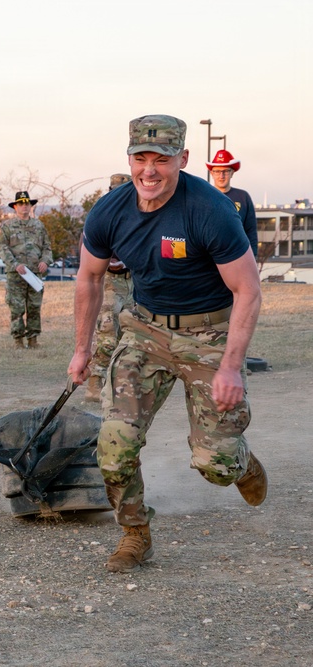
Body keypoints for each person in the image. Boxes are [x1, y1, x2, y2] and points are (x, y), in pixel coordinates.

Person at [68, 114, 266, 574]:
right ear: (129, 159)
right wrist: (81, 350)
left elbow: (248, 290)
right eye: (141, 158)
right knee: (114, 444)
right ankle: (135, 534)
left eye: (162, 159)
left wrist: (231, 366)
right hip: (146, 331)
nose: (150, 170)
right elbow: (89, 279)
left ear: (183, 158)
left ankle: (241, 462)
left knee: (215, 465)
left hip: (210, 333)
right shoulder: (110, 210)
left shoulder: (210, 210)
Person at [84, 174, 135, 402]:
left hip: (133, 282)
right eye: (116, 190)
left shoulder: (139, 216)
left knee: (131, 335)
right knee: (106, 335)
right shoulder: (103, 215)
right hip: (109, 282)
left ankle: (121, 383)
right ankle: (95, 384)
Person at [0, 191, 52, 348]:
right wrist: (15, 264)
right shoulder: (7, 227)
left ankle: (33, 339)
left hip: (34, 274)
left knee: (34, 306)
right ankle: (18, 340)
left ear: (30, 206)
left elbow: (47, 247)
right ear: (15, 207)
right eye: (20, 204)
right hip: (16, 274)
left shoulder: (38, 226)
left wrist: (45, 261)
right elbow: (3, 249)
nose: (24, 207)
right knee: (17, 307)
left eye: (27, 204)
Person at [207, 149, 258, 256]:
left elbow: (251, 231)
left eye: (225, 171)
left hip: (238, 256)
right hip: (209, 259)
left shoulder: (243, 197)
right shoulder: (203, 196)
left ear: (232, 173)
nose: (221, 176)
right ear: (211, 173)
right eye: (217, 171)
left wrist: (253, 257)